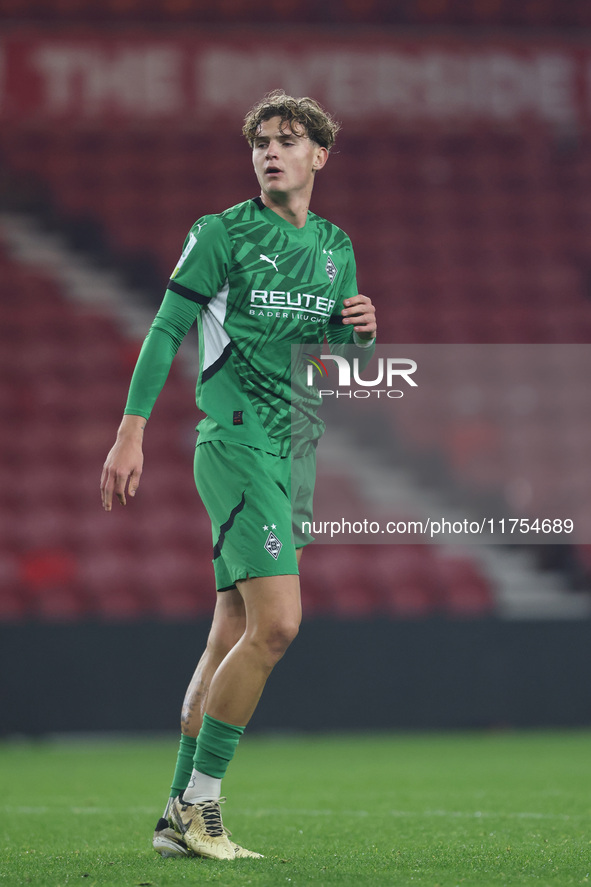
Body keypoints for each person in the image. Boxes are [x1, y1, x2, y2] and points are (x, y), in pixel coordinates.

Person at [100, 89, 377, 861]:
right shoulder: (221, 232)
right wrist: (132, 430)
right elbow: (166, 329)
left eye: (288, 140)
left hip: (295, 447)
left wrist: (360, 334)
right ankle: (201, 808)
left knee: (230, 628)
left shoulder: (334, 245)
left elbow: (338, 359)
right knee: (277, 625)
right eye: (262, 141)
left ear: (319, 155)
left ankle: (172, 818)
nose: (271, 151)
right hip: (236, 442)